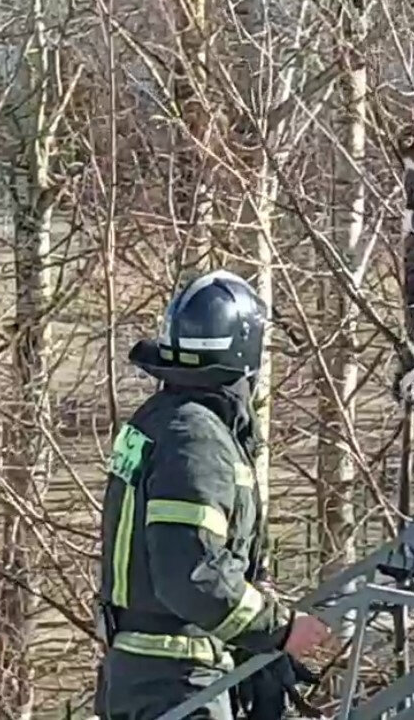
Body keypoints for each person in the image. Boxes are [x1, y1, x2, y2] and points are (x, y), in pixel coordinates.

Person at [94, 269, 331, 720]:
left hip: (141, 678)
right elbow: (191, 575)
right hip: (178, 685)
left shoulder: (160, 421)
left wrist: (248, 654)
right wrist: (276, 629)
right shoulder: (197, 441)